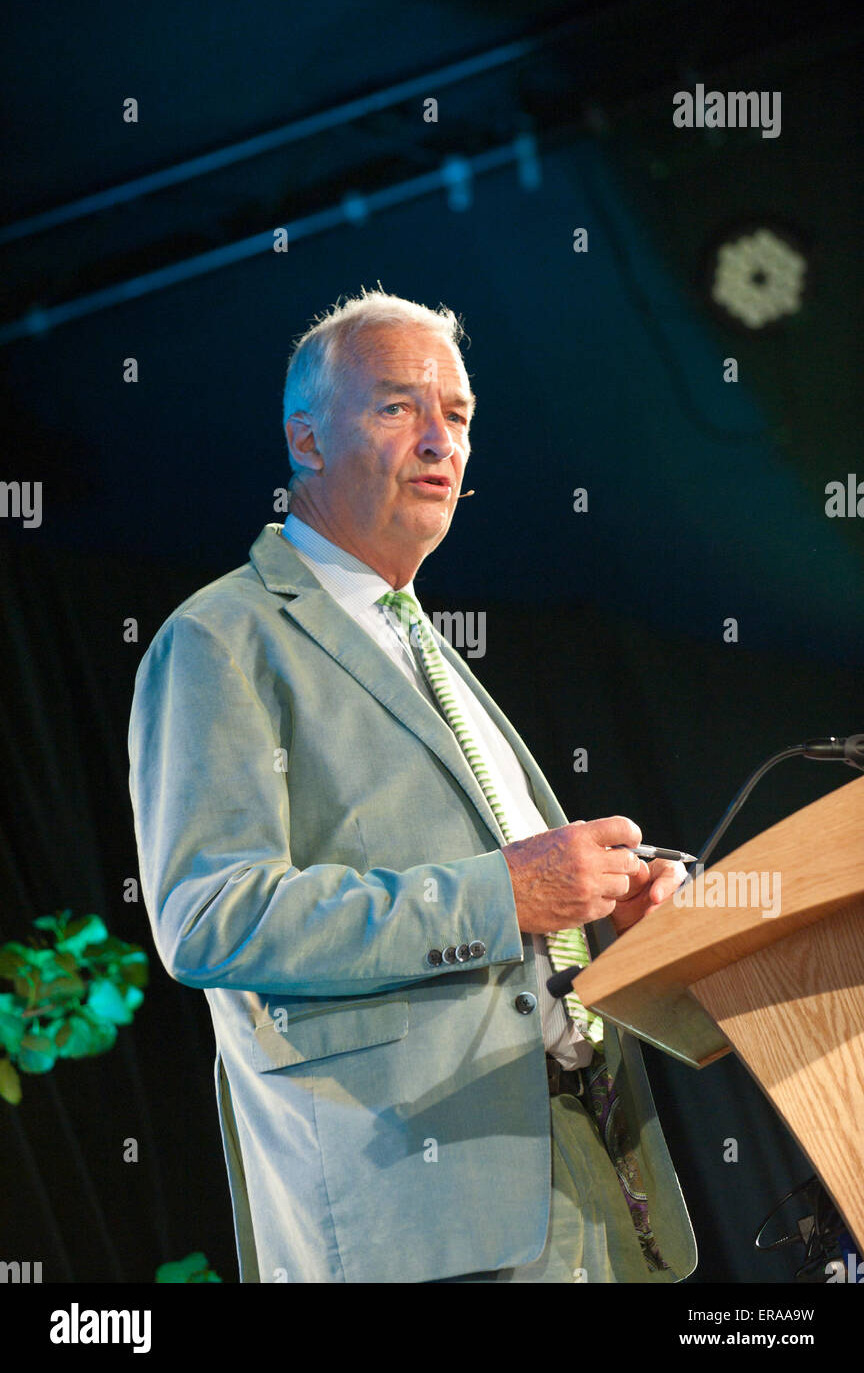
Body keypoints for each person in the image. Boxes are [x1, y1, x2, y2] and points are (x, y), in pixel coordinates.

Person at [128, 289, 697, 1283]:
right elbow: (208, 916)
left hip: (587, 1178)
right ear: (305, 441)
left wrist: (603, 920)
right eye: (399, 407)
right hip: (420, 1213)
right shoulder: (221, 639)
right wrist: (503, 893)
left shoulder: (425, 648)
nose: (441, 441)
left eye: (460, 416)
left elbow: (512, 920)